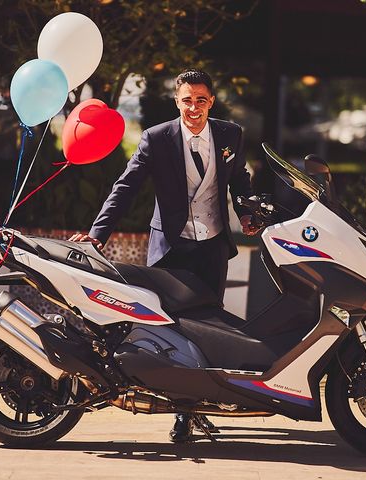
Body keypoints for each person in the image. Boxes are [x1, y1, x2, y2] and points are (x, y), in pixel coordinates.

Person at [69, 68, 260, 442]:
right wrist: (96, 235)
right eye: (186, 100)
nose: (193, 107)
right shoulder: (157, 139)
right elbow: (124, 188)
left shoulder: (229, 135)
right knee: (171, 332)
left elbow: (240, 181)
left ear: (212, 102)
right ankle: (181, 414)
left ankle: (206, 401)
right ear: (177, 100)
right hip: (171, 247)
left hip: (212, 247)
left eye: (201, 100)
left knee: (209, 328)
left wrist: (247, 214)